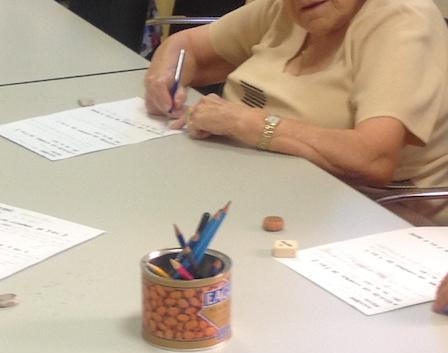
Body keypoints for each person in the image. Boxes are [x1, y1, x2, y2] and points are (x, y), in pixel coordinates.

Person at [144, 0, 448, 225]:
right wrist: (163, 76)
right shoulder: (287, 8)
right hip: (255, 189)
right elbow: (187, 46)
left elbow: (374, 158)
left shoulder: (402, 18)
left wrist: (245, 122)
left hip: (373, 213)